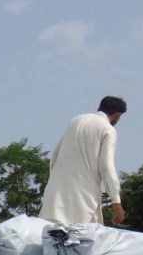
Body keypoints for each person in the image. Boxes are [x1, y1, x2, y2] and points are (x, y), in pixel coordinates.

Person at [40, 96, 127, 227]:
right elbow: (106, 166)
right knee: (82, 240)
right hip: (82, 200)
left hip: (55, 196)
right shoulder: (108, 129)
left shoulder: (75, 121)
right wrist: (116, 201)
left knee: (51, 238)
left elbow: (55, 156)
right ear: (117, 115)